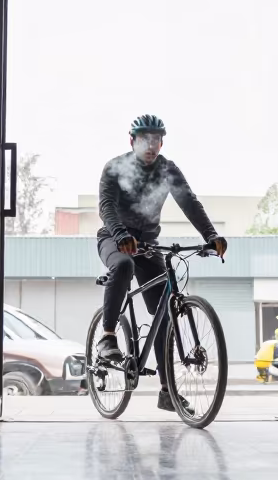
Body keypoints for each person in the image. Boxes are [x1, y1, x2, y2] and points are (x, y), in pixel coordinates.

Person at [94, 114, 228, 413]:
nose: (152, 145)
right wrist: (120, 234)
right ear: (132, 141)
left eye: (157, 139)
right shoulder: (115, 167)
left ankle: (168, 391)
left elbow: (190, 202)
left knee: (165, 311)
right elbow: (107, 206)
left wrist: (211, 235)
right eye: (145, 139)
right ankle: (108, 336)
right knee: (124, 266)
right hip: (114, 239)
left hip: (148, 244)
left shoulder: (168, 169)